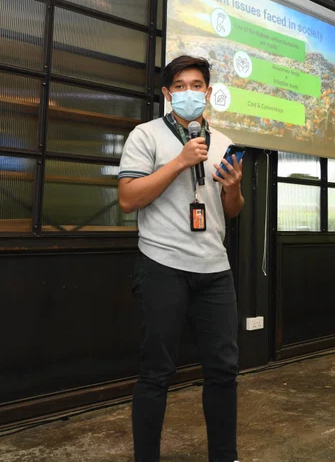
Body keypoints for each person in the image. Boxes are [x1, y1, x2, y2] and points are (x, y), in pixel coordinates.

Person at [118, 55, 244, 462]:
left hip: (215, 270)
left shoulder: (223, 141)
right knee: (156, 372)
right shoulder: (146, 135)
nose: (189, 92)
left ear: (208, 92)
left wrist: (233, 189)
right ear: (167, 93)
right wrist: (179, 161)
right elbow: (127, 199)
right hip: (162, 265)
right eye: (180, 86)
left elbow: (232, 211)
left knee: (223, 371)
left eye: (197, 85)